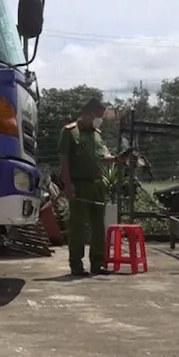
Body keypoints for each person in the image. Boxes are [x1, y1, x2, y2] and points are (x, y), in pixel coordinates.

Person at [58, 98, 131, 276]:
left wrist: (117, 159)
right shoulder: (70, 132)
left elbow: (101, 157)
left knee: (98, 226)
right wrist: (68, 185)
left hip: (98, 184)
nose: (100, 119)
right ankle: (76, 264)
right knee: (78, 226)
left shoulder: (96, 134)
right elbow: (64, 159)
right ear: (87, 113)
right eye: (98, 115)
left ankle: (97, 264)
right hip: (79, 185)